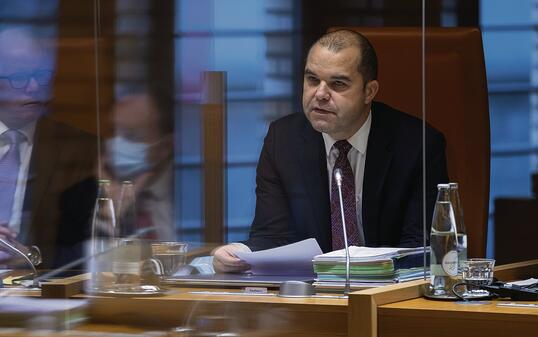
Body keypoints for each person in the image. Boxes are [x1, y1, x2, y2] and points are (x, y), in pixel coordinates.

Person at [213, 29, 448, 273]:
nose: (321, 94)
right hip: (313, 296)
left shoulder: (417, 144)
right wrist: (240, 252)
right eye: (312, 80)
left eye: (338, 84)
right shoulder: (283, 140)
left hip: (387, 294)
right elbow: (273, 234)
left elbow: (420, 245)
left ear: (369, 91)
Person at [0, 25, 97, 269]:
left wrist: (31, 257)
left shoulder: (77, 148)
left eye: (42, 76)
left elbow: (96, 247)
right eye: (20, 78)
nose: (34, 87)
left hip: (41, 289)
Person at [100, 89, 174, 241]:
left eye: (130, 135)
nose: (116, 144)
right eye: (112, 132)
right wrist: (112, 218)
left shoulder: (189, 191)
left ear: (166, 145)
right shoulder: (84, 196)